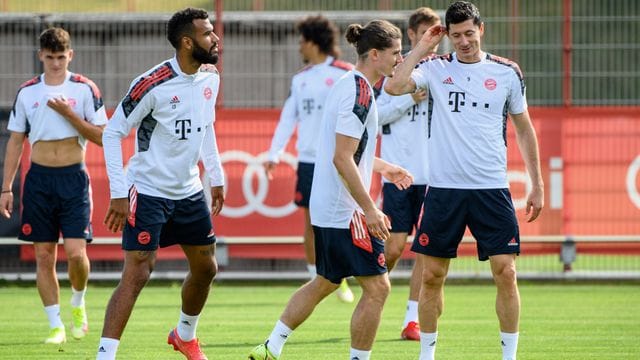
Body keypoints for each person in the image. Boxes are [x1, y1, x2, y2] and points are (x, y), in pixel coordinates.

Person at [384, 2, 544, 360]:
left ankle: (509, 356)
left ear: (481, 29)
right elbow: (394, 86)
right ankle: (427, 355)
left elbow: (524, 128)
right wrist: (423, 47)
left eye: (468, 33)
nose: (463, 41)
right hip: (444, 191)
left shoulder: (506, 72)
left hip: (491, 189)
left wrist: (537, 183)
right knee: (432, 276)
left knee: (506, 272)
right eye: (455, 35)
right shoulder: (434, 67)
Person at [249, 19, 412, 360]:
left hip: (329, 206)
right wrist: (368, 208)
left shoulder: (347, 83)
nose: (400, 59)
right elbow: (341, 158)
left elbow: (347, 151)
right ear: (375, 54)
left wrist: (384, 167)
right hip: (345, 211)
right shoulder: (360, 91)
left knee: (324, 281)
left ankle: (270, 346)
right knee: (378, 288)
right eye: (396, 53)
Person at [96, 8, 224, 360]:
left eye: (213, 32)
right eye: (207, 34)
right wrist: (119, 193)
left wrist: (216, 174)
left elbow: (206, 126)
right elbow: (112, 133)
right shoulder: (151, 84)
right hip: (148, 191)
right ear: (187, 42)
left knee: (206, 268)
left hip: (189, 191)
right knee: (138, 271)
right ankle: (105, 355)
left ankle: (185, 336)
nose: (215, 39)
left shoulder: (210, 78)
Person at [0, 27, 107, 345]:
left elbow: (102, 136)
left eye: (61, 57)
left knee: (76, 255)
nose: (56, 63)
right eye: (50, 57)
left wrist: (68, 114)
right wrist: (6, 187)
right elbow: (16, 141)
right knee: (44, 257)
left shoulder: (85, 89)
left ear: (70, 55)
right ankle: (55, 325)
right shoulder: (28, 92)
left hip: (74, 179)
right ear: (41, 57)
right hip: (39, 181)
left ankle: (78, 302)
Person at [263, 15, 354, 303]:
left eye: (303, 40)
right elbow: (288, 119)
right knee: (311, 222)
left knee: (346, 219)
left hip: (339, 161)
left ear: (314, 43)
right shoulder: (299, 79)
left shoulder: (345, 74)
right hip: (308, 162)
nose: (299, 46)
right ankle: (317, 275)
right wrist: (274, 153)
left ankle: (342, 276)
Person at [373, 7, 440, 341]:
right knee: (396, 246)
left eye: (437, 33)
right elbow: (377, 117)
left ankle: (411, 320)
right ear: (413, 35)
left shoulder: (444, 71)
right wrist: (409, 99)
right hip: (400, 175)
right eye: (427, 33)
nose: (433, 40)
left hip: (436, 178)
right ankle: (373, 295)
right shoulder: (394, 73)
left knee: (426, 252)